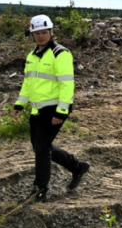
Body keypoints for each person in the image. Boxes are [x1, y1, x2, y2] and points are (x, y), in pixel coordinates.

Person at [12, 15, 90, 203]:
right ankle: (78, 167)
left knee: (41, 149)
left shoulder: (60, 54)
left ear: (51, 32)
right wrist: (20, 104)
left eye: (44, 32)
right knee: (41, 147)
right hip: (36, 110)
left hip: (54, 109)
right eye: (37, 33)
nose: (41, 36)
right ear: (32, 34)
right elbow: (28, 83)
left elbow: (67, 85)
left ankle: (40, 190)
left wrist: (61, 111)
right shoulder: (31, 56)